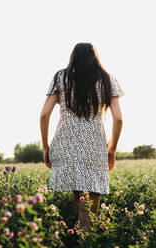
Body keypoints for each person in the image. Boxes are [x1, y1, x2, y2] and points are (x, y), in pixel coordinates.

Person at [39, 42, 124, 233]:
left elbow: (44, 114)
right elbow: (118, 118)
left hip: (65, 142)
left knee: (77, 189)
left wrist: (45, 146)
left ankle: (76, 233)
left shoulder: (61, 77)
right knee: (94, 189)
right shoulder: (107, 79)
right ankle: (87, 233)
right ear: (95, 57)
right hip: (95, 145)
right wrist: (112, 149)